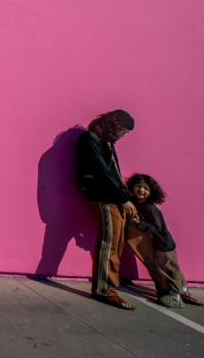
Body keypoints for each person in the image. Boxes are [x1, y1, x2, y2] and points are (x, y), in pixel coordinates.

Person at [75, 109, 138, 309]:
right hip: (104, 197)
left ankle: (110, 287)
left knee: (116, 243)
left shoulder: (107, 143)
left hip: (114, 197)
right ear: (114, 124)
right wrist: (123, 199)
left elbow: (115, 173)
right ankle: (104, 289)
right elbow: (102, 172)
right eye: (124, 130)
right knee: (108, 243)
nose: (124, 135)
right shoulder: (90, 139)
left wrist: (125, 197)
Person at [124, 173, 204, 308]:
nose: (141, 190)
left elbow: (156, 229)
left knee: (168, 270)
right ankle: (184, 292)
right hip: (159, 243)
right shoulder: (138, 202)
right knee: (171, 268)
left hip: (164, 245)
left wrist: (139, 223)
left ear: (151, 192)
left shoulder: (150, 208)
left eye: (146, 188)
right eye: (138, 186)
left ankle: (176, 297)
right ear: (132, 187)